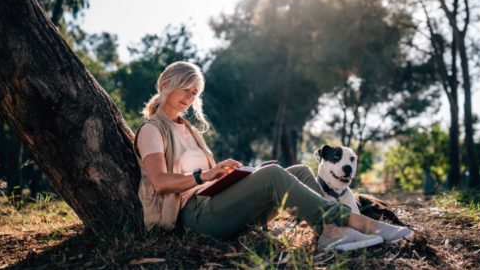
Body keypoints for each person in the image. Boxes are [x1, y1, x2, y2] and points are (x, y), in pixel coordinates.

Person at [133, 61, 415, 252]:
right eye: (186, 88)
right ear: (166, 83)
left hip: (217, 204)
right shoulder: (152, 129)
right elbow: (159, 182)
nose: (190, 97)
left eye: (195, 93)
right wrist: (203, 175)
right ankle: (355, 223)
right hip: (197, 217)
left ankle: (330, 230)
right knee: (271, 175)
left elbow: (206, 180)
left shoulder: (189, 130)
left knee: (301, 171)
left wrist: (226, 176)